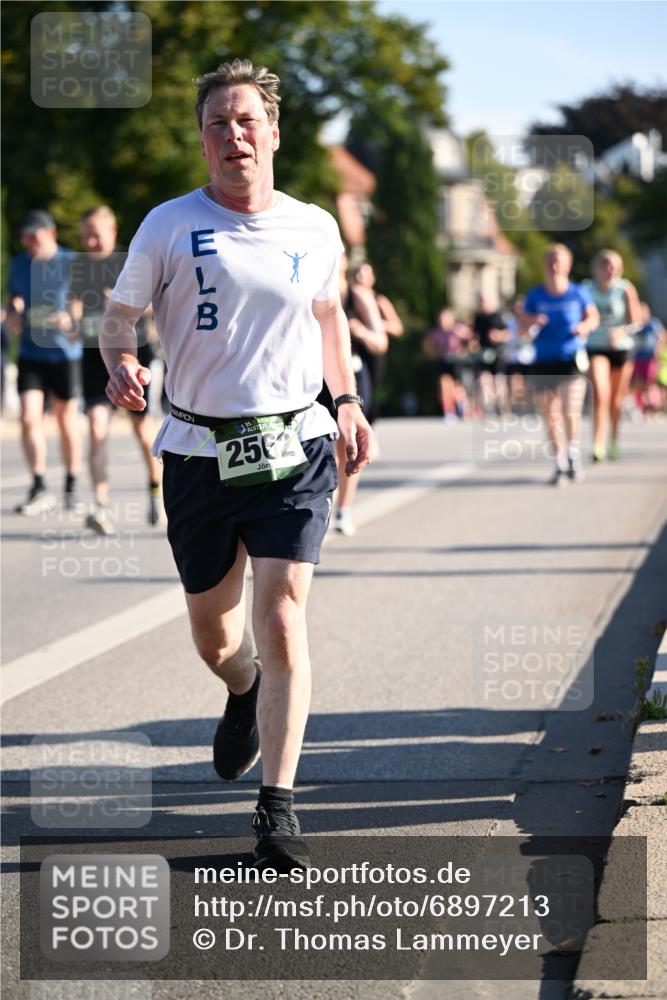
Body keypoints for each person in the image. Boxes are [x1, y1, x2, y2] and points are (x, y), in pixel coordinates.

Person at [99, 58, 372, 868]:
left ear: (274, 132)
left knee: (282, 613)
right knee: (217, 637)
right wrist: (120, 362)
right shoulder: (168, 224)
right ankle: (241, 689)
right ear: (203, 139)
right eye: (217, 123)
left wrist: (348, 400)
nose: (233, 135)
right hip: (197, 451)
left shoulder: (313, 226)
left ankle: (277, 808)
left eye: (246, 120)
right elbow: (117, 319)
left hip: (295, 445)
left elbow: (329, 322)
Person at [70, 205, 163, 535]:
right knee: (96, 428)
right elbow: (74, 304)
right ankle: (100, 505)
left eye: (96, 234)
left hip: (132, 355)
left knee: (141, 430)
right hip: (94, 355)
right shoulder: (80, 267)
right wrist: (71, 320)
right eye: (85, 236)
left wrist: (124, 305)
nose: (91, 241)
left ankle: (155, 490)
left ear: (112, 230)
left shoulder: (131, 260)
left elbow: (157, 303)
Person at [8, 210, 82, 515]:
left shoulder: (71, 262)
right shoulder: (19, 263)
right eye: (25, 237)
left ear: (50, 232)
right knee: (28, 417)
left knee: (66, 421)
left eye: (34, 236)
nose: (29, 242)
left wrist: (69, 318)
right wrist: (14, 313)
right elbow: (14, 303)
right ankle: (38, 485)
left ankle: (71, 485)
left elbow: (82, 305)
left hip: (65, 354)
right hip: (30, 353)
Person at [521, 244, 600, 485]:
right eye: (550, 260)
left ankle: (574, 456)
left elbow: (593, 317)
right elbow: (523, 329)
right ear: (545, 265)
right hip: (543, 359)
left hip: (570, 357)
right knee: (550, 415)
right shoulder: (535, 295)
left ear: (568, 265)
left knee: (570, 409)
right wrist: (532, 321)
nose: (554, 265)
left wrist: (583, 328)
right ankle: (559, 462)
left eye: (559, 260)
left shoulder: (578, 293)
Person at [328, 253, 387, 536]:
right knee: (319, 445)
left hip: (352, 377)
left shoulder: (358, 297)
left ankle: (343, 510)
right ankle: (321, 504)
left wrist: (361, 332)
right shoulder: (308, 288)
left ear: (344, 260)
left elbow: (381, 341)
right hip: (317, 377)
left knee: (347, 444)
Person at [583, 249, 642, 461]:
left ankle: (614, 440)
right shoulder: (587, 288)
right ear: (597, 267)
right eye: (605, 265)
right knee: (600, 394)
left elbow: (637, 321)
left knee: (616, 400)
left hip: (620, 348)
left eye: (614, 266)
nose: (609, 270)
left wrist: (622, 331)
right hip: (596, 346)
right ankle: (597, 444)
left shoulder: (625, 288)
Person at [348, 261, 403, 424]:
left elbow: (397, 327)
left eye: (365, 274)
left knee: (370, 388)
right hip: (358, 351)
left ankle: (368, 421)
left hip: (373, 351)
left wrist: (375, 325)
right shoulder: (351, 296)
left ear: (373, 278)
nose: (361, 277)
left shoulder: (379, 300)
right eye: (358, 273)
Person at [423, 308, 471, 421]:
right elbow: (427, 344)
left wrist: (464, 350)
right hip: (443, 361)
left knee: (457, 387)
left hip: (456, 361)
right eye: (441, 319)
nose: (443, 321)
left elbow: (471, 339)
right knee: (444, 385)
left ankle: (462, 405)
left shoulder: (459, 330)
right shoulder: (436, 332)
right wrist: (433, 354)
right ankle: (449, 411)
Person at [472, 293, 509, 416]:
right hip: (483, 353)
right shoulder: (478, 318)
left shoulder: (497, 316)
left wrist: (497, 336)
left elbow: (507, 334)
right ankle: (489, 407)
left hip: (496, 352)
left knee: (498, 380)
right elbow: (475, 335)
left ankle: (502, 407)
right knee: (484, 379)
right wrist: (473, 343)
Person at [632, 303, 664, 417]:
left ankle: (654, 405)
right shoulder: (636, 324)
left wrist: (658, 350)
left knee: (650, 382)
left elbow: (661, 336)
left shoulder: (653, 323)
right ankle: (642, 406)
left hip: (650, 357)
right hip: (637, 357)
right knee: (638, 383)